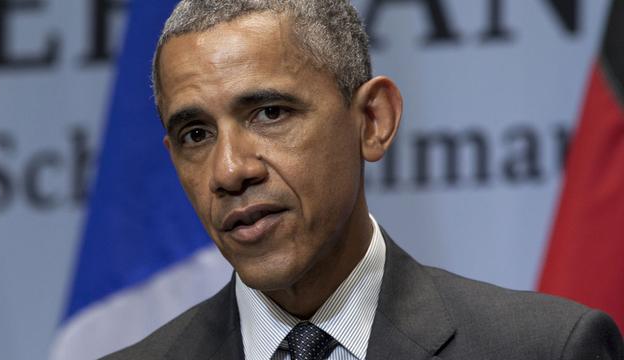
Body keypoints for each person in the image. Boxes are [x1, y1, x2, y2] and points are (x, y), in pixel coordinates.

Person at [105, 0, 623, 359]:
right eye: (196, 134)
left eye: (268, 113)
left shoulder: (543, 349)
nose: (230, 170)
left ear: (373, 121)